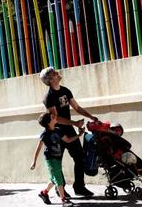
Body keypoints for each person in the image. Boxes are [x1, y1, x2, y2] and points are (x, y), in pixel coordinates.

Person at [40, 67, 98, 197]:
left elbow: (77, 107)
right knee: (57, 162)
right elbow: (57, 118)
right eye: (54, 73)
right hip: (56, 133)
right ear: (50, 79)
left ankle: (79, 187)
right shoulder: (48, 97)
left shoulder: (65, 90)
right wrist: (75, 123)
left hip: (69, 130)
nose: (57, 73)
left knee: (79, 158)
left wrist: (90, 116)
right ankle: (60, 188)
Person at [30, 112, 84, 207]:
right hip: (50, 160)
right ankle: (64, 201)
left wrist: (79, 135)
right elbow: (38, 148)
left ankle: (44, 193)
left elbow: (67, 140)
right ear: (48, 122)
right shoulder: (45, 134)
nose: (55, 117)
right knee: (59, 180)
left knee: (54, 179)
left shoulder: (59, 130)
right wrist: (34, 161)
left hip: (58, 158)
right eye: (52, 117)